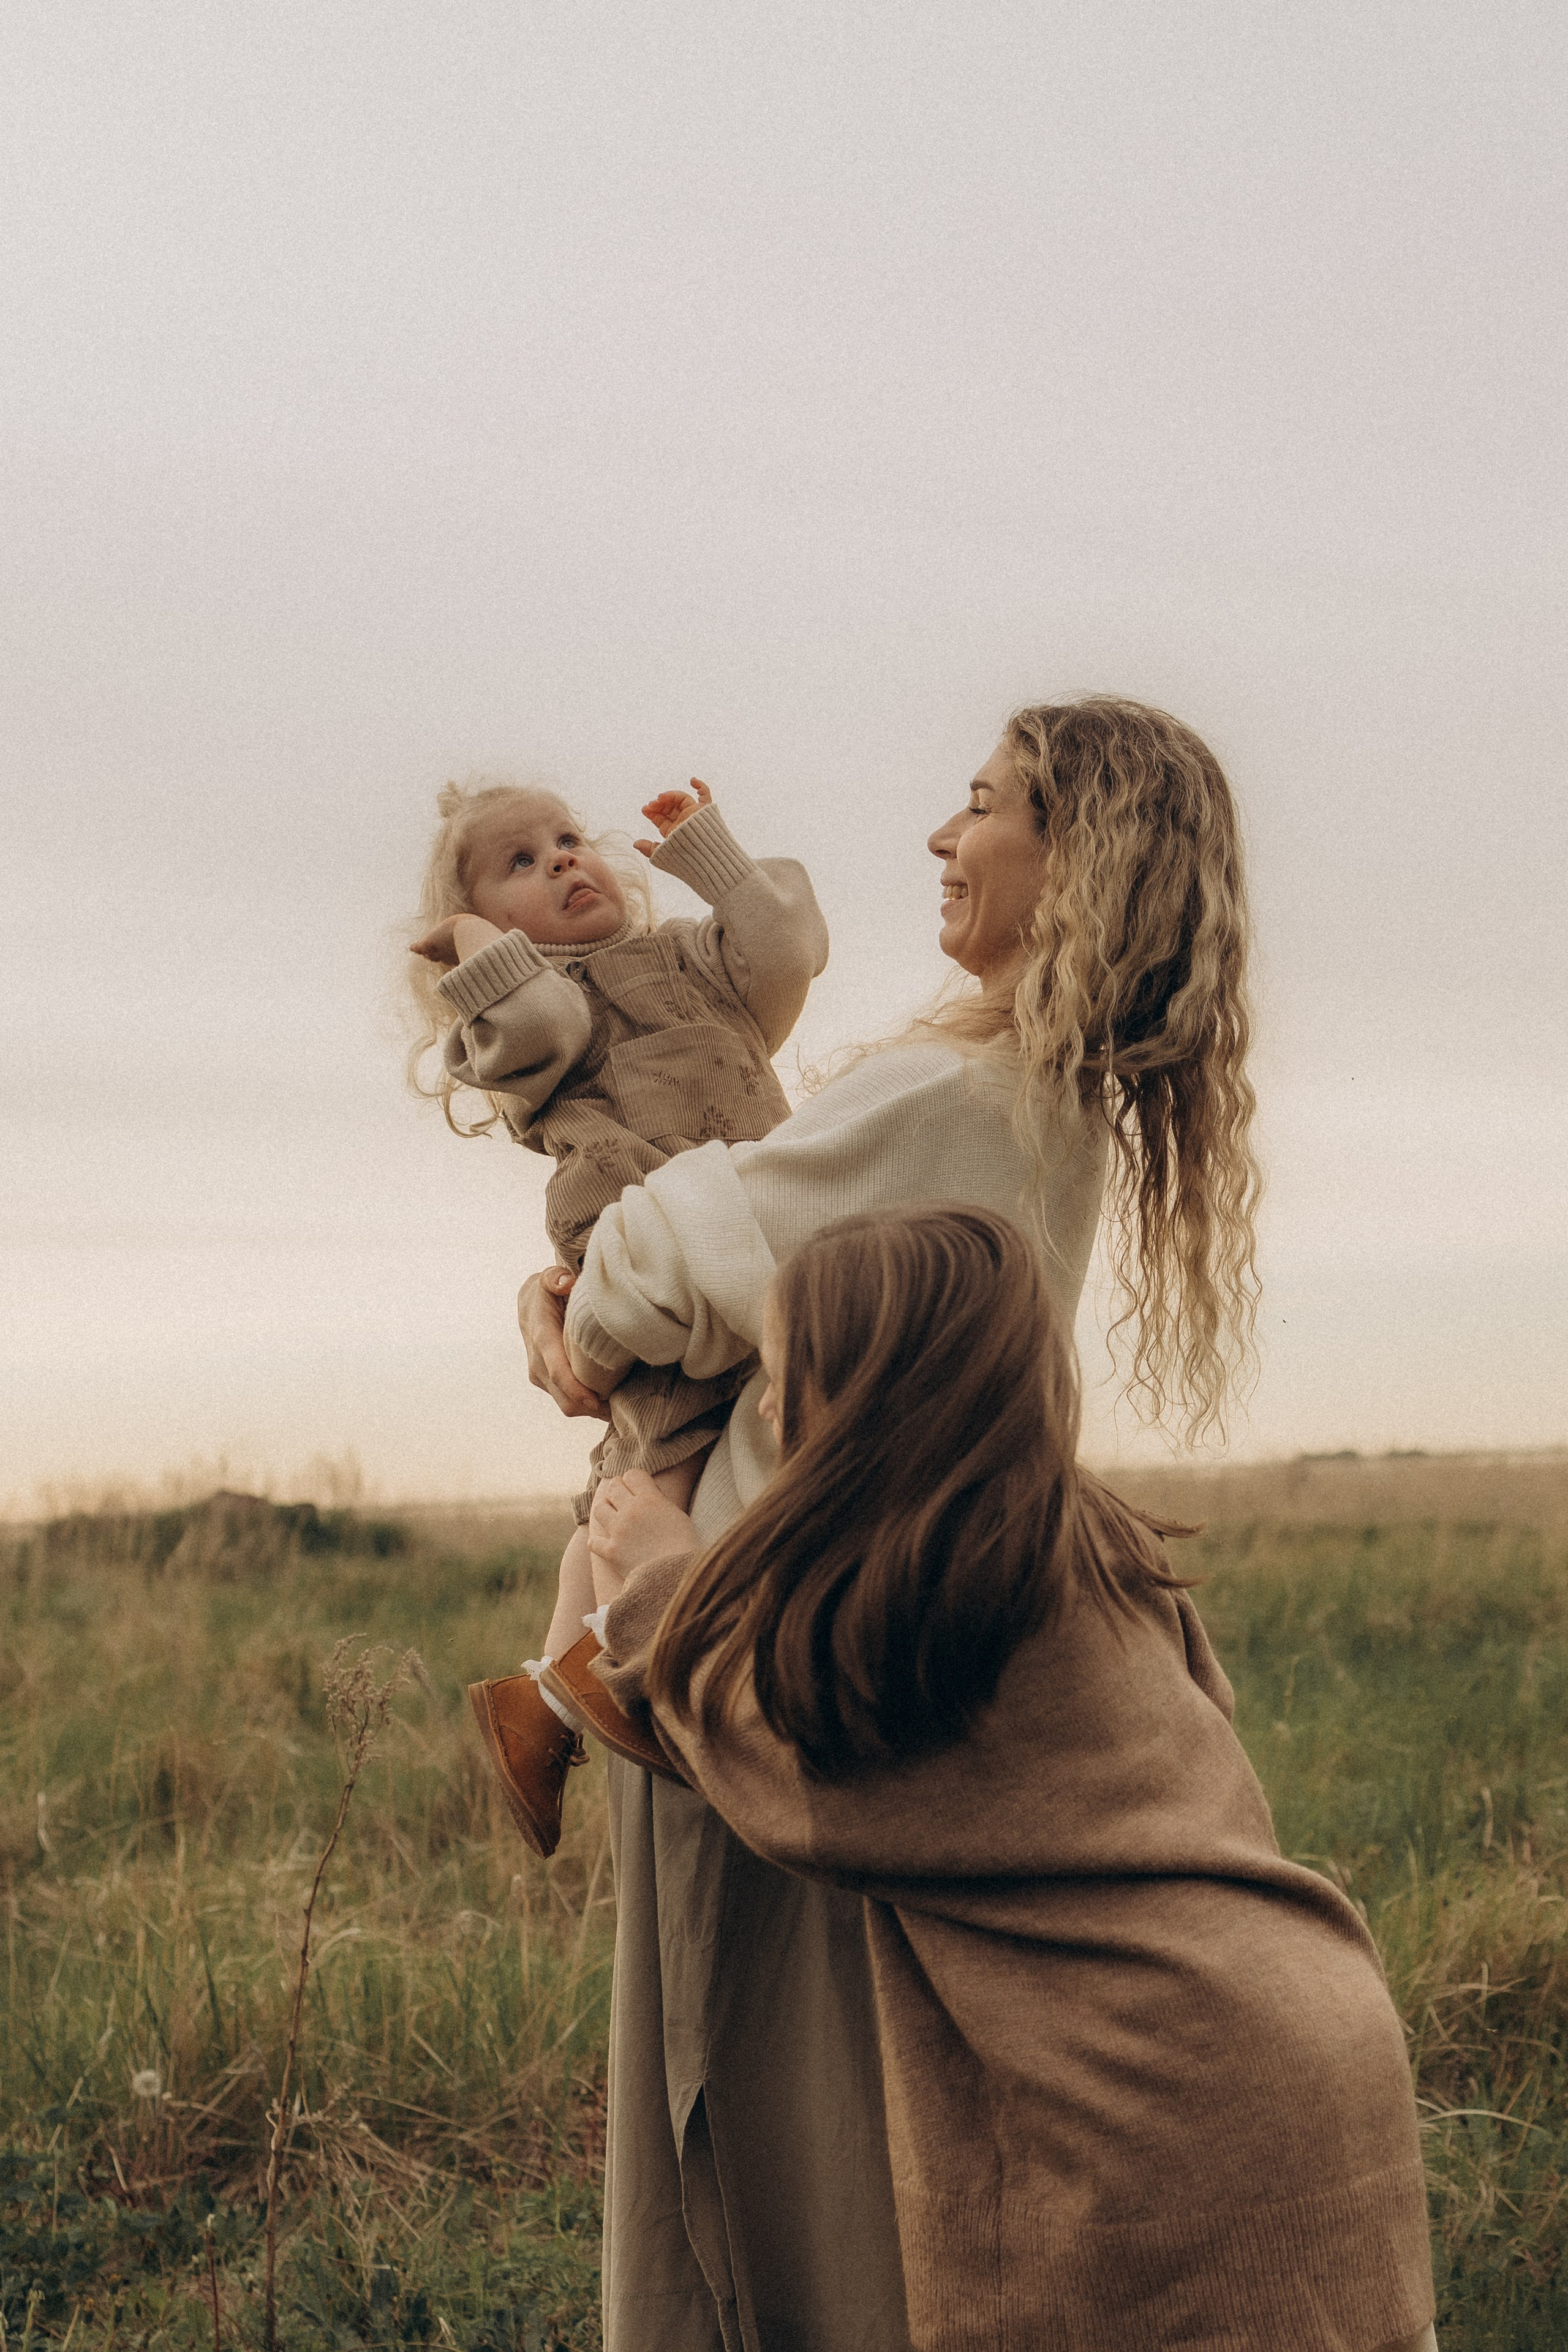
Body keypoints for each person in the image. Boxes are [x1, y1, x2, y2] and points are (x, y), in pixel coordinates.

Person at [519, 699, 1263, 2350]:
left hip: (750, 1643)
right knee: (854, 2116)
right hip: (851, 1637)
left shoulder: (961, 1097)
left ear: (1076, 859)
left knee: (754, 2123)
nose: (942, 835)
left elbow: (675, 1255)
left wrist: (569, 1308)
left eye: (984, 804)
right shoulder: (1039, 1101)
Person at [582, 1204, 1438, 2352]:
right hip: (1319, 2045)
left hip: (1151, 2108)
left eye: (787, 1378)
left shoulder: (919, 1608)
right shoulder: (1091, 1540)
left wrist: (662, 1591)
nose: (771, 1410)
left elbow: (794, 1782)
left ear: (865, 1401)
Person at [406, 774, 827, 1853]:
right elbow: (544, 1010)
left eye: (566, 838)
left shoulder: (690, 960)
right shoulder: (523, 1022)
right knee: (664, 1452)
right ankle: (615, 1668)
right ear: (481, 932)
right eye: (519, 863)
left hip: (745, 1233)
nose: (561, 858)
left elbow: (786, 954)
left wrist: (713, 858)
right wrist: (483, 951)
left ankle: (544, 1697)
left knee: (641, 1467)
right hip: (636, 1235)